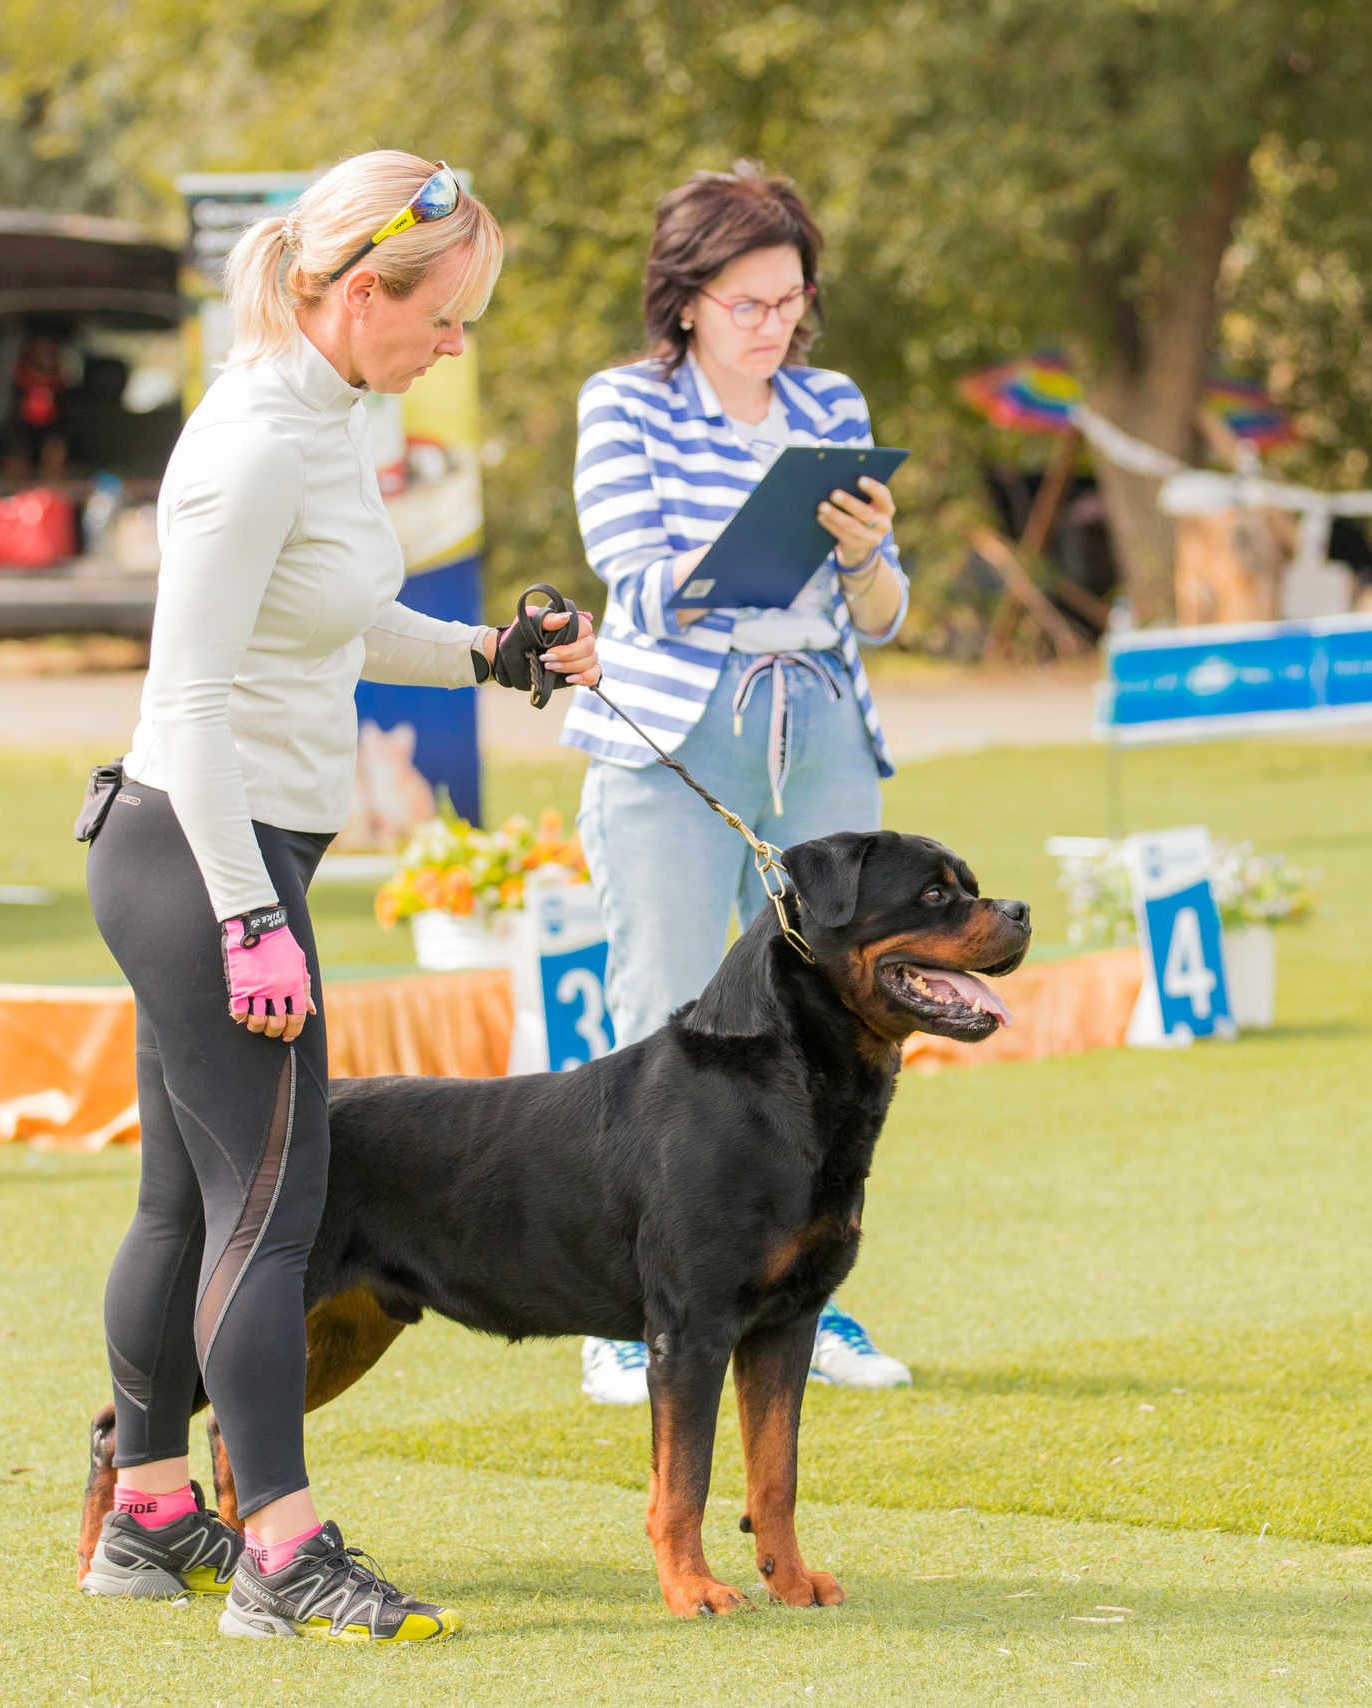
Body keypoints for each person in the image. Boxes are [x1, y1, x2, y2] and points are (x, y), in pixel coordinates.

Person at [80, 152, 599, 1642]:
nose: (457, 345)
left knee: (188, 1204)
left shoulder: (323, 416)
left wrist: (492, 654)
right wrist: (251, 921)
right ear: (360, 293)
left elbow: (348, 622)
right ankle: (281, 1555)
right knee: (276, 1208)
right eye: (444, 318)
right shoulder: (253, 440)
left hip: (215, 850)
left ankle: (150, 1515)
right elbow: (186, 704)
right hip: (200, 850)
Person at [558, 162, 914, 1406]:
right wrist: (756, 553)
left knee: (840, 1015)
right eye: (750, 303)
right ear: (689, 299)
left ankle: (810, 1299)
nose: (775, 327)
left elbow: (883, 604)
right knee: (664, 1017)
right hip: (674, 726)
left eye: (790, 301)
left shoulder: (830, 399)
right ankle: (628, 1316)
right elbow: (632, 578)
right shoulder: (627, 403)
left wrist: (865, 557)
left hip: (818, 716)